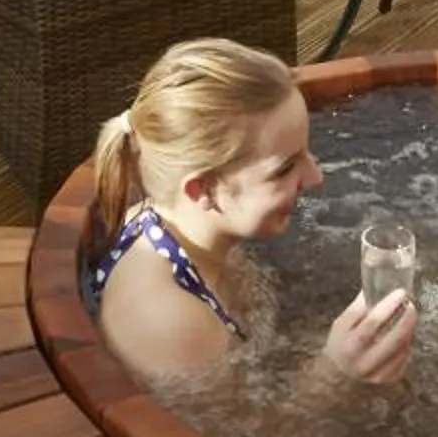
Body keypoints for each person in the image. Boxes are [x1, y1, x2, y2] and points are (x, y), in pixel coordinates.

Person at [86, 39, 416, 389]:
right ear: (203, 191)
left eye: (305, 153)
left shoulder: (188, 229)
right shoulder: (169, 320)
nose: (316, 177)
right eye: (284, 168)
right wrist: (333, 372)